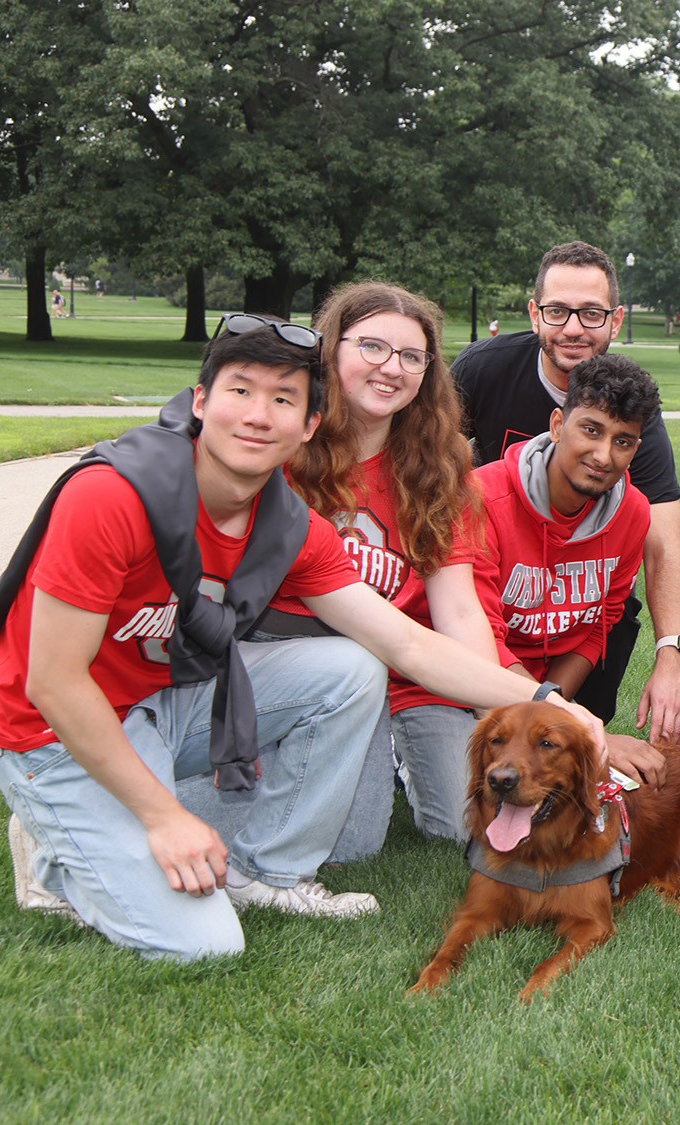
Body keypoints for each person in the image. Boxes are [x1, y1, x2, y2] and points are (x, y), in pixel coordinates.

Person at [0, 314, 606, 961]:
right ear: (200, 402)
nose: (258, 415)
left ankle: (269, 873)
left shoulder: (285, 519)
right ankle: (59, 847)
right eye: (240, 391)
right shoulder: (116, 493)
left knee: (350, 667)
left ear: (307, 423)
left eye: (283, 400)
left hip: (165, 703)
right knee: (204, 944)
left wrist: (547, 699)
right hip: (50, 729)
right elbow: (51, 681)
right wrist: (161, 818)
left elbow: (407, 646)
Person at [260, 281, 497, 846]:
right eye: (371, 347)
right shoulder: (283, 451)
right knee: (353, 844)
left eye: (412, 357)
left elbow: (460, 611)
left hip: (415, 675)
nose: (391, 368)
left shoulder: (439, 470)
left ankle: (398, 755)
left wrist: (499, 719)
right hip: (305, 665)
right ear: (330, 350)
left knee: (465, 829)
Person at [452, 242, 680, 743]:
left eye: (592, 313)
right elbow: (428, 470)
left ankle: (567, 707)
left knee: (618, 610)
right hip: (491, 568)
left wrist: (672, 655)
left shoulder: (631, 406)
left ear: (616, 319)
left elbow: (662, 542)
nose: (575, 328)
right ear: (535, 312)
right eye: (558, 311)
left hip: (569, 605)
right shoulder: (484, 369)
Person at [468, 353, 663, 786]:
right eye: (590, 430)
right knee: (466, 809)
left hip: (548, 695)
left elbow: (599, 623)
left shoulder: (632, 512)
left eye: (623, 441)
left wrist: (550, 722)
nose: (603, 455)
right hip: (467, 685)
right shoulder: (481, 497)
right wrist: (577, 727)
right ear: (558, 425)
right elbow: (475, 638)